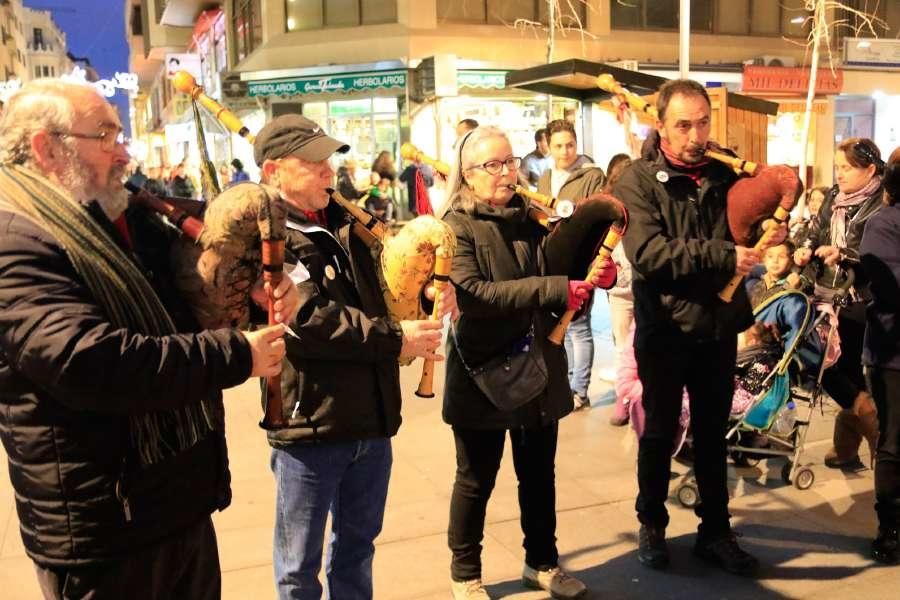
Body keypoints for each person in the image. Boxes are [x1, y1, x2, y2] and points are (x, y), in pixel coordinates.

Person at [0, 79, 291, 599]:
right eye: (105, 135)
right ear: (47, 147)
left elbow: (193, 293)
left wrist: (248, 286)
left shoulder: (118, 215)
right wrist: (237, 354)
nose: (123, 150)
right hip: (104, 528)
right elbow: (88, 363)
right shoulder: (14, 239)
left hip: (172, 501)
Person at [252, 114, 458, 600]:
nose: (329, 172)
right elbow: (310, 322)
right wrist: (397, 339)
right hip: (310, 424)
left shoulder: (347, 222)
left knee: (357, 549)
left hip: (370, 418)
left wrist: (427, 292)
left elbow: (385, 291)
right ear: (273, 171)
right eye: (313, 163)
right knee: (298, 568)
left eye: (329, 161)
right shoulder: (268, 237)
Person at [614, 78, 786, 577]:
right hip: (664, 331)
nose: (695, 135)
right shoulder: (637, 181)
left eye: (703, 122)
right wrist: (724, 254)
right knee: (660, 434)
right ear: (661, 126)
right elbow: (648, 254)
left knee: (713, 436)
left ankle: (716, 532)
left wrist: (775, 202)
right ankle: (652, 526)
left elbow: (747, 224)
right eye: (683, 125)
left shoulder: (722, 170)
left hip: (717, 327)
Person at [442, 125, 615, 600]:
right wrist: (555, 288)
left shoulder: (531, 218)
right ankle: (465, 574)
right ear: (467, 173)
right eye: (491, 165)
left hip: (539, 362)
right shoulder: (454, 227)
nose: (505, 173)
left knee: (539, 474)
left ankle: (541, 563)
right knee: (476, 478)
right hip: (483, 371)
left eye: (510, 161)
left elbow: (563, 264)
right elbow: (473, 294)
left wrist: (592, 268)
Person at [794, 137, 884, 470]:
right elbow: (816, 231)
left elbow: (880, 252)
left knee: (839, 368)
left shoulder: (881, 202)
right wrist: (804, 248)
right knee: (829, 365)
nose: (840, 174)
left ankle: (866, 428)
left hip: (861, 299)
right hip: (825, 294)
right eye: (837, 167)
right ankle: (851, 440)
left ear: (870, 169)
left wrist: (844, 254)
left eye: (846, 167)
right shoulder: (834, 196)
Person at [538, 119, 606, 410]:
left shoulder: (591, 174)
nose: (565, 151)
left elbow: (601, 213)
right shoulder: (545, 176)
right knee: (559, 325)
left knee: (579, 325)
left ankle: (580, 390)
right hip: (552, 258)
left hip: (581, 257)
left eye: (570, 144)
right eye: (558, 145)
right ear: (547, 147)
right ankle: (564, 384)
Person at [859, 146, 900, 564]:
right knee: (893, 442)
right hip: (893, 355)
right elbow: (889, 291)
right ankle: (890, 529)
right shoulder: (883, 224)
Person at [603, 153, 637, 426]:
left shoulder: (645, 203)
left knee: (647, 347)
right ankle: (624, 398)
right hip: (619, 289)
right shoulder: (609, 208)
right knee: (623, 345)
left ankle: (643, 399)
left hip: (647, 284)